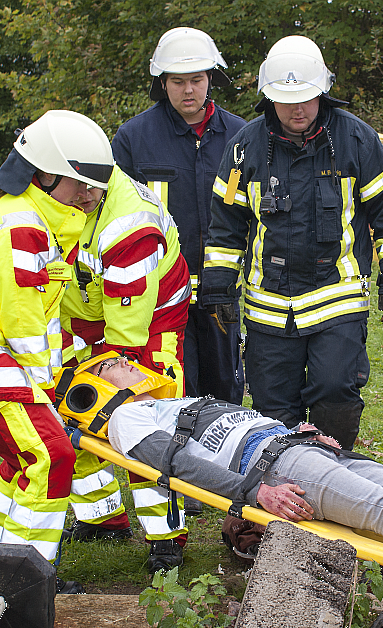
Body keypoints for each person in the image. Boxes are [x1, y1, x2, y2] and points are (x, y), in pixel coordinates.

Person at [76, 353, 383, 586]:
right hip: (279, 469)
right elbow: (177, 466)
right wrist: (255, 495)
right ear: (99, 389)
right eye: (113, 366)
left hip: (299, 447)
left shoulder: (166, 403)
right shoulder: (127, 418)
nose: (126, 363)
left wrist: (298, 430)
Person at [0, 109, 114, 592]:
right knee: (50, 456)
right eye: (81, 184)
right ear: (45, 175)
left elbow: (42, 317)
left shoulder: (41, 220)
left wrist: (53, 371)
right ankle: (28, 579)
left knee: (24, 458)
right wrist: (45, 383)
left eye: (95, 185)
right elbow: (22, 318)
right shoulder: (22, 225)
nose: (91, 195)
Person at [200, 35, 383, 449]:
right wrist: (219, 286)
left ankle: (334, 481)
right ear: (267, 99)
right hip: (268, 309)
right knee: (272, 413)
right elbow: (226, 225)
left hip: (338, 299)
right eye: (286, 99)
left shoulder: (357, 141)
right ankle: (279, 492)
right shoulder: (244, 149)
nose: (299, 108)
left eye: (308, 98)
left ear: (323, 92)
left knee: (336, 394)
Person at [61, 168, 193, 572]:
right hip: (79, 323)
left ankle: (166, 536)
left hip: (148, 326)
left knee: (146, 421)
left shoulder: (128, 224)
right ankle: (102, 518)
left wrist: (113, 371)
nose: (81, 194)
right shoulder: (50, 195)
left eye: (89, 187)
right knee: (71, 408)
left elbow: (128, 328)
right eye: (73, 185)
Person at [112, 27, 247, 405]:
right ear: (163, 83)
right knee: (170, 391)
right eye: (178, 81)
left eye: (197, 80)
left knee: (225, 390)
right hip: (161, 294)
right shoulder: (133, 138)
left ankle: (220, 459)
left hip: (223, 290)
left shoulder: (243, 136)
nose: (188, 90)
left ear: (211, 79)